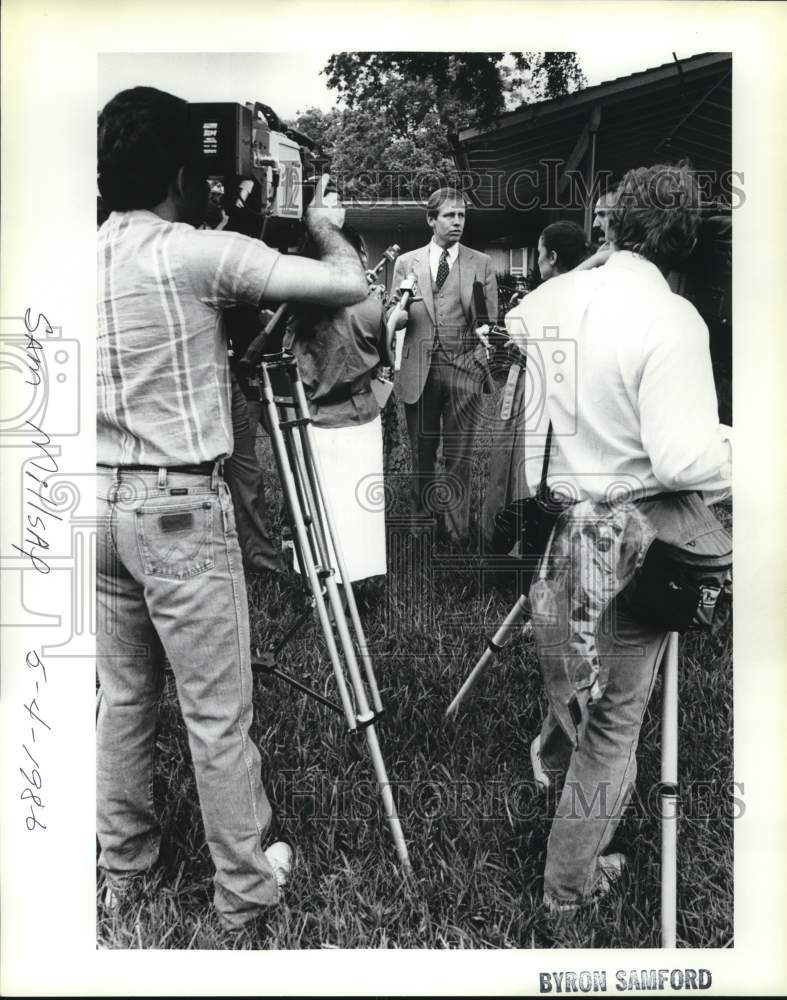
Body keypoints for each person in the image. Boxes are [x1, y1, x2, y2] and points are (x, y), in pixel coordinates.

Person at [95, 86, 368, 930]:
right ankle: (247, 891)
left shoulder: (83, 251)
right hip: (178, 504)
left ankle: (124, 867)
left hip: (98, 503)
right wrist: (320, 225)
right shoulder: (197, 252)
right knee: (216, 713)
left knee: (125, 699)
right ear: (187, 171)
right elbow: (347, 287)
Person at [505, 163, 732, 915]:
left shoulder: (558, 294)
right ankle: (566, 892)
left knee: (583, 688)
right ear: (686, 238)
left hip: (565, 527)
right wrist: (736, 446)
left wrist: (593, 264)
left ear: (611, 227)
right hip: (633, 531)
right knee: (613, 723)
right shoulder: (671, 317)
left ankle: (570, 843)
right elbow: (680, 459)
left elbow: (513, 322)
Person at [389, 187, 498, 549]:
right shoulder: (407, 263)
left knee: (459, 454)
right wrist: (397, 316)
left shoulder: (480, 263)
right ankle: (421, 523)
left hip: (464, 368)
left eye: (462, 215)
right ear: (431, 220)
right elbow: (392, 311)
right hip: (418, 368)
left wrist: (479, 357)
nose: (457, 222)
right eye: (450, 215)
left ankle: (457, 532)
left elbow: (489, 319)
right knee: (422, 451)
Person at [283, 227, 389, 584]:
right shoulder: (371, 308)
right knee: (358, 508)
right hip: (359, 417)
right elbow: (386, 358)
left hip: (314, 421)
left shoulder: (297, 312)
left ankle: (317, 579)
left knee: (319, 503)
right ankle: (357, 579)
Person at [482, 221, 588, 554]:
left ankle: (517, 538)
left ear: (552, 257)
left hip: (538, 388)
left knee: (526, 460)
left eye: (540, 254)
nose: (537, 263)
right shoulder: (591, 291)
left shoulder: (545, 298)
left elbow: (515, 325)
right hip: (578, 392)